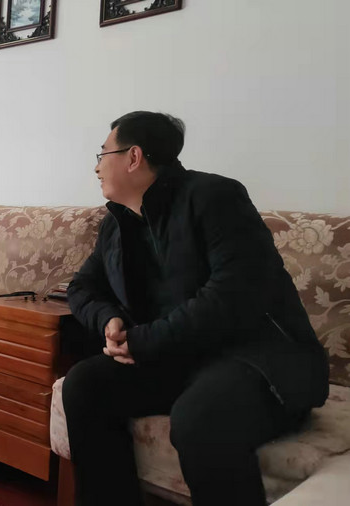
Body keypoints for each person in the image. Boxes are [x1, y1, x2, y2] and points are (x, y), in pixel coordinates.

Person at [63, 111, 329, 506]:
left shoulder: (215, 197)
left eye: (103, 154)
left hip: (258, 360)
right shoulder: (116, 224)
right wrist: (109, 319)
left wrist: (143, 340)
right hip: (179, 358)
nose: (97, 166)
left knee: (201, 418)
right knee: (85, 385)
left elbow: (233, 296)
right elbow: (82, 287)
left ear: (133, 157)